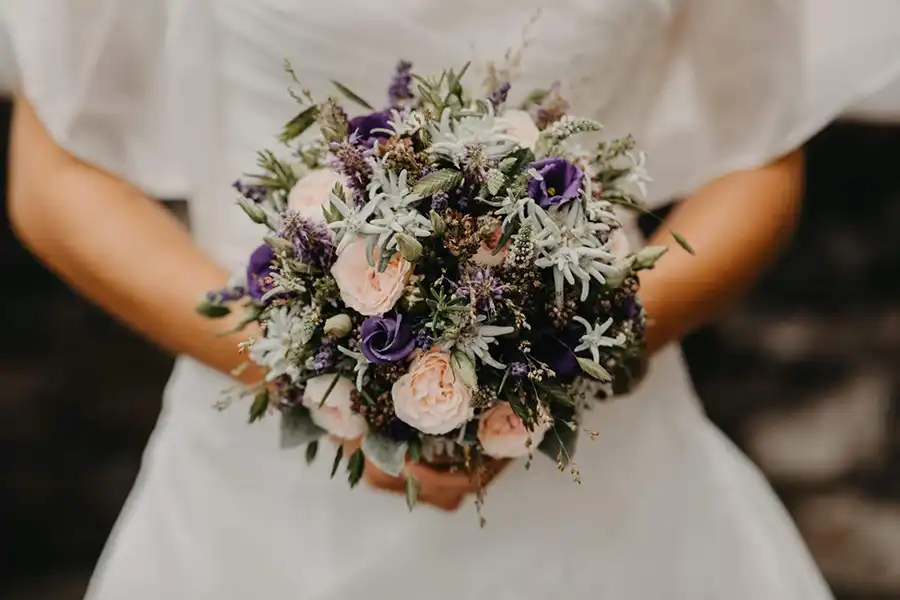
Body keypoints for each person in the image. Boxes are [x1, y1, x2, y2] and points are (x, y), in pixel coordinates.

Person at [6, 0, 899, 597]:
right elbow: (54, 178)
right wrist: (309, 372)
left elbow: (759, 156)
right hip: (257, 492)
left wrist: (565, 361)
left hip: (608, 482)